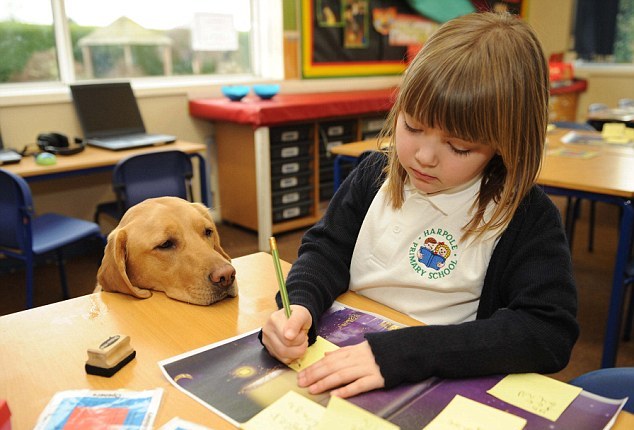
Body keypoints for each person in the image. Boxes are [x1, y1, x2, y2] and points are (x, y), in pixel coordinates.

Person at [261, 11, 579, 399]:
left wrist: (405, 353)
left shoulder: (525, 216)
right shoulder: (373, 174)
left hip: (435, 374)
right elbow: (325, 251)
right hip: (342, 353)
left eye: (459, 146)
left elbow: (547, 333)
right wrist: (300, 305)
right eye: (412, 126)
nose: (424, 157)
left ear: (504, 145)